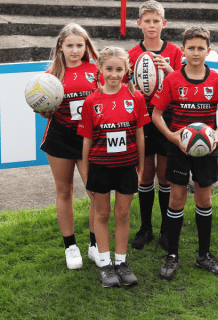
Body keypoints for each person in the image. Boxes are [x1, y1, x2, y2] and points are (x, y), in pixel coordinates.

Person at [151, 26, 218, 280]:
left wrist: (215, 135)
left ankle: (203, 255)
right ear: (183, 51)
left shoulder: (217, 80)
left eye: (201, 48)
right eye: (191, 48)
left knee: (204, 199)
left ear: (208, 51)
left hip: (207, 150)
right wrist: (172, 136)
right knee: (176, 199)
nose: (196, 53)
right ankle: (172, 255)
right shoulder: (173, 80)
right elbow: (156, 114)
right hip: (179, 148)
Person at [78, 46, 149, 288]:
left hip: (127, 167)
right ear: (100, 69)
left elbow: (140, 135)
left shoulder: (135, 98)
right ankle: (105, 264)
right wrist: (86, 173)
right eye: (109, 69)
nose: (114, 74)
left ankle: (121, 262)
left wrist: (140, 167)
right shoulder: (91, 102)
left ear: (127, 70)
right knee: (102, 214)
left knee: (122, 214)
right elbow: (87, 139)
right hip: (100, 167)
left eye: (119, 69)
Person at [36, 23, 101, 270]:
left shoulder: (95, 70)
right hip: (60, 138)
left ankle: (95, 244)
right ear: (60, 47)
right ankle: (70, 246)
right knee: (64, 191)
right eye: (70, 45)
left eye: (79, 45)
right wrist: (44, 110)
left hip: (88, 139)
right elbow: (44, 112)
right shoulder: (50, 75)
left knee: (95, 191)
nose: (75, 50)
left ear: (86, 47)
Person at [128, 0, 183, 251]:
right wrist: (133, 88)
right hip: (143, 120)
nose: (151, 26)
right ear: (139, 24)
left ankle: (165, 230)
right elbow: (124, 89)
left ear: (164, 23)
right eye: (147, 21)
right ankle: (146, 227)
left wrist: (170, 70)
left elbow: (183, 86)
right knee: (145, 174)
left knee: (164, 176)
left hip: (167, 118)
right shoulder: (131, 55)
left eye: (156, 21)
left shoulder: (174, 52)